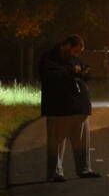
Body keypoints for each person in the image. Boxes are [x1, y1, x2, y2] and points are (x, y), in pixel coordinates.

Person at [39, 34, 101, 182]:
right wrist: (72, 71)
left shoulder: (73, 59)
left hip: (79, 108)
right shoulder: (48, 60)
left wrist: (85, 72)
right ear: (66, 46)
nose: (77, 54)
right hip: (59, 108)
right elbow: (52, 77)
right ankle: (55, 172)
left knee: (82, 141)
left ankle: (84, 168)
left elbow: (83, 72)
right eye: (75, 51)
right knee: (56, 141)